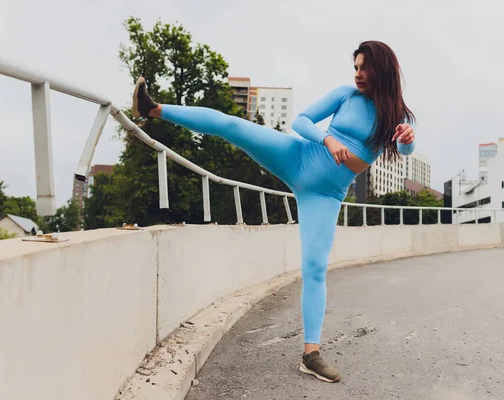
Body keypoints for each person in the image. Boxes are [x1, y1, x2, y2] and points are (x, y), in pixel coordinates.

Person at [131, 40, 416, 383]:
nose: (357, 74)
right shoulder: (346, 95)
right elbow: (302, 121)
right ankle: (151, 108)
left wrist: (407, 136)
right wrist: (328, 140)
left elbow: (404, 147)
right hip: (297, 156)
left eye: (363, 68)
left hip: (325, 195)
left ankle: (311, 354)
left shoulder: (394, 114)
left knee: (314, 267)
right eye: (355, 67)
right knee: (232, 126)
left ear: (380, 69)